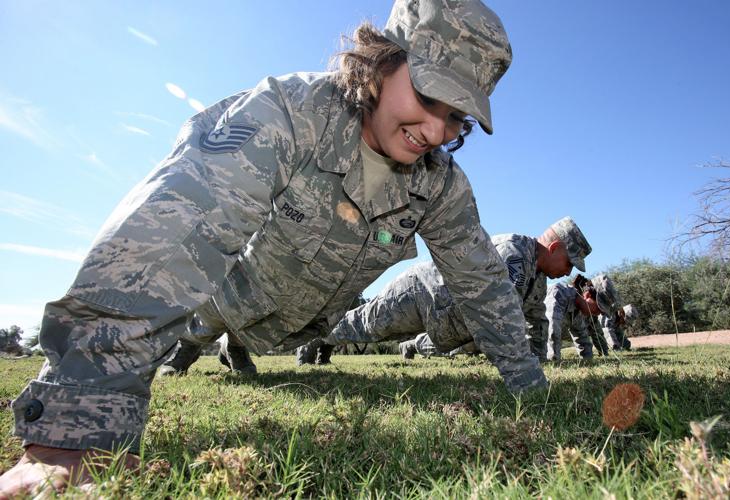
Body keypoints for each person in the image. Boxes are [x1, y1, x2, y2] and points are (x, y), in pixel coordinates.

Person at [1, 1, 544, 495]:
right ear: (382, 63)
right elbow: (171, 236)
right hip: (222, 298)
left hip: (302, 325)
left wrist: (527, 383)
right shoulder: (290, 114)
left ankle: (237, 350)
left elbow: (483, 283)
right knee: (197, 329)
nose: (435, 129)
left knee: (256, 344)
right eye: (428, 97)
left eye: (456, 117)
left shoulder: (440, 185)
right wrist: (72, 434)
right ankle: (197, 349)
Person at [323, 217, 592, 372]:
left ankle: (323, 337)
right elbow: (495, 313)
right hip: (421, 295)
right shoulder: (513, 253)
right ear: (555, 248)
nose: (568, 271)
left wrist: (539, 362)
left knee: (381, 333)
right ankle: (315, 336)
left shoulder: (538, 279)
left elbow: (537, 322)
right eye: (569, 263)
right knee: (366, 325)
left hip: (440, 320)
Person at [545, 274, 620, 361]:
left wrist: (588, 360)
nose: (598, 313)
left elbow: (582, 338)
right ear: (587, 295)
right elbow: (551, 330)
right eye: (599, 308)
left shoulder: (578, 310)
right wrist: (554, 360)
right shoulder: (559, 293)